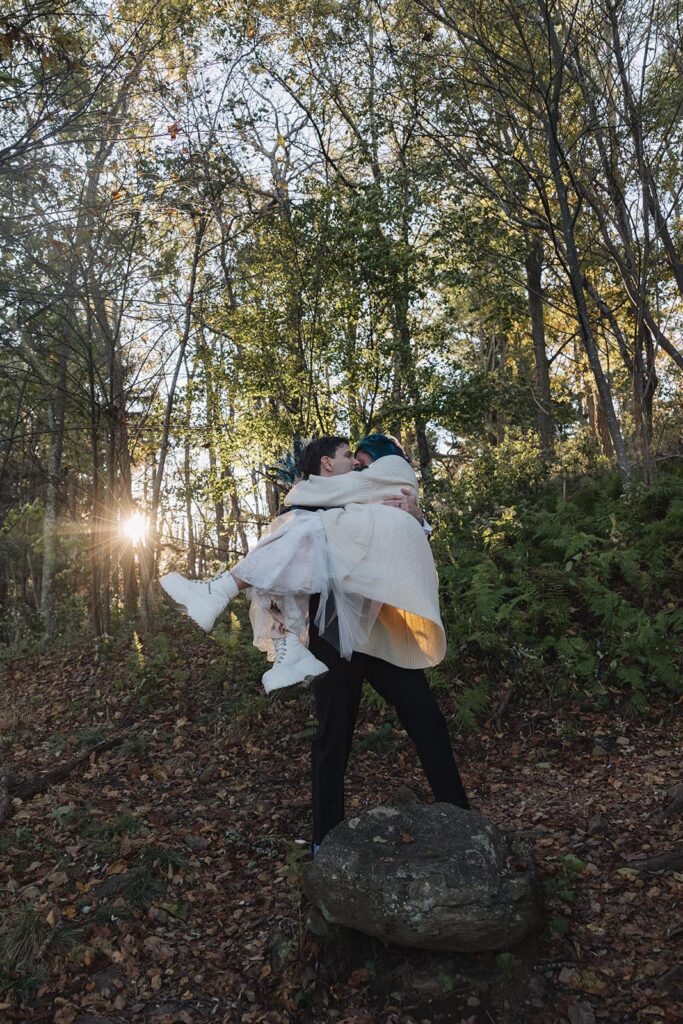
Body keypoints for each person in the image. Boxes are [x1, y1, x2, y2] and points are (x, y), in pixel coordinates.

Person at [160, 436, 440, 694]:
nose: (357, 465)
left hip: (382, 619)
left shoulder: (375, 487)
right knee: (335, 717)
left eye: (363, 463)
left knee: (417, 706)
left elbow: (401, 538)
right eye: (351, 458)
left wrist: (418, 518)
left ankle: (219, 593)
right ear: (327, 464)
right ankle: (288, 647)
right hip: (330, 626)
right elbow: (278, 569)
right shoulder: (306, 505)